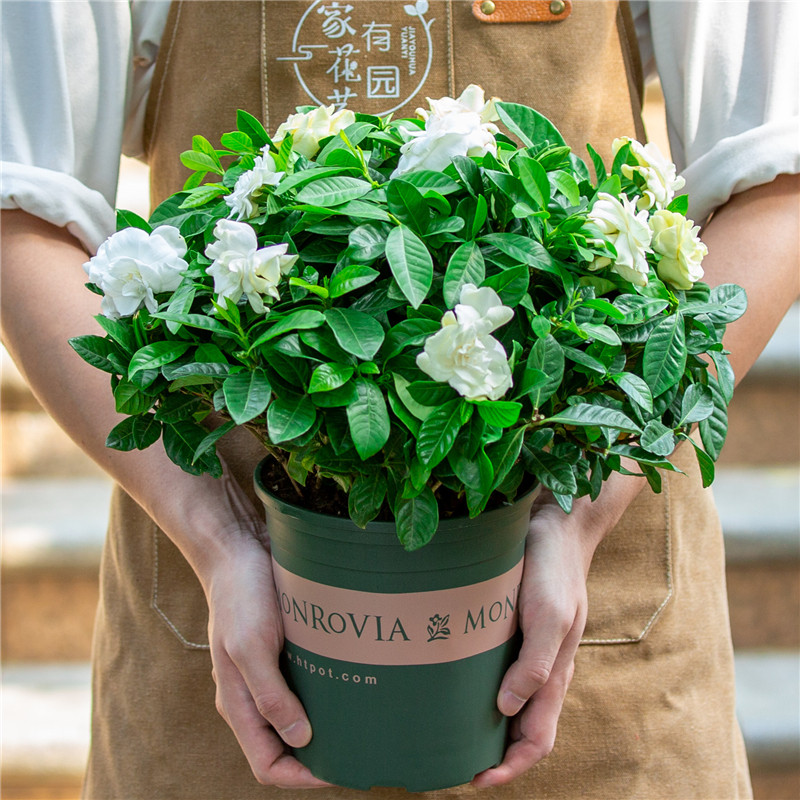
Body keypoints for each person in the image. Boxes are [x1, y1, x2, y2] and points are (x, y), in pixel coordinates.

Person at [2, 1, 798, 798]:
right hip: (230, 615)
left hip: (598, 616)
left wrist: (581, 516)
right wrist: (216, 539)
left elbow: (779, 171)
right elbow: (17, 202)